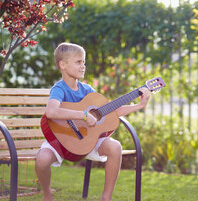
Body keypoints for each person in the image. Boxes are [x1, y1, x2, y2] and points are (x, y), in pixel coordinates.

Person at [35, 42, 151, 201]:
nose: (83, 66)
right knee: (42, 159)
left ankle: (106, 197)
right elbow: (51, 111)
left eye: (84, 62)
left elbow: (111, 111)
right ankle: (47, 194)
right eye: (78, 62)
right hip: (60, 138)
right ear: (63, 64)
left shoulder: (88, 90)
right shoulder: (59, 89)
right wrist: (82, 115)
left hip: (86, 141)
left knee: (115, 146)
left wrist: (139, 105)